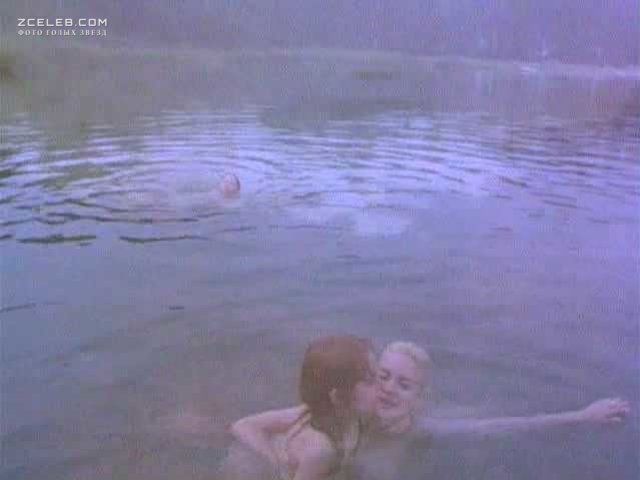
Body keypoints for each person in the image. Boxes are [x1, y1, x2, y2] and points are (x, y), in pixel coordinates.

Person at [234, 340, 630, 480]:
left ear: (419, 398)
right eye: (382, 376)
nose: (388, 388)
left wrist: (580, 417)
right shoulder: (343, 413)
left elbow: (498, 427)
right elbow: (252, 427)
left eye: (404, 384)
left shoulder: (420, 431)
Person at [221, 335, 378, 480]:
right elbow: (242, 426)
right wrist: (276, 466)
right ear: (337, 396)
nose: (381, 385)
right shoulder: (321, 450)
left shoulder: (335, 416)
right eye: (370, 381)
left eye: (380, 375)